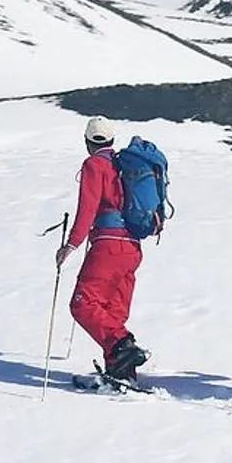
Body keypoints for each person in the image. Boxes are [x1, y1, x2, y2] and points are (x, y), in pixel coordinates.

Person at [57, 116, 149, 383]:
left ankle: (123, 346)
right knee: (112, 312)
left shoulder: (94, 165)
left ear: (87, 142)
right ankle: (122, 372)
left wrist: (72, 244)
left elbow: (87, 208)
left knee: (83, 303)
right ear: (111, 140)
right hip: (132, 248)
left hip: (108, 244)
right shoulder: (125, 166)